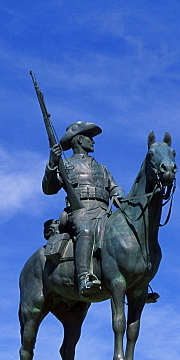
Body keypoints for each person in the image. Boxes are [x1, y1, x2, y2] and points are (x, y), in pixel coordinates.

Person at [43, 121, 124, 298]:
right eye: (89, 138)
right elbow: (49, 189)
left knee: (126, 232)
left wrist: (119, 194)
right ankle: (83, 278)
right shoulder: (66, 164)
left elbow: (114, 187)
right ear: (79, 140)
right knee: (86, 230)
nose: (93, 142)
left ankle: (136, 279)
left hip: (104, 211)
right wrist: (51, 164)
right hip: (79, 211)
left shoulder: (101, 168)